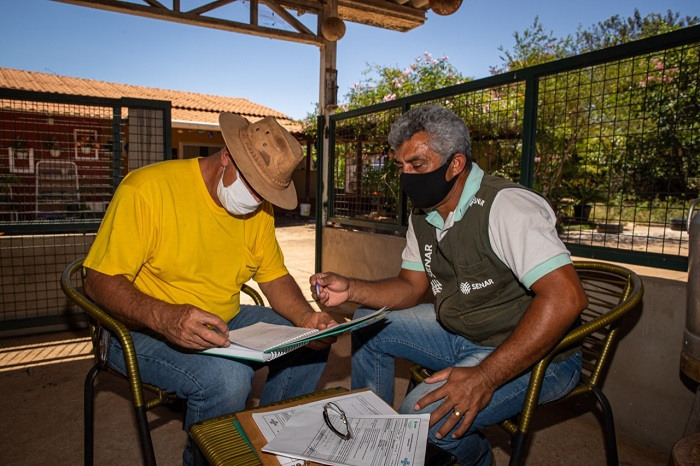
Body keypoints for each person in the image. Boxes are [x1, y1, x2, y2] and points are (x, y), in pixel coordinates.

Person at [311, 104, 588, 465]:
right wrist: (352, 289)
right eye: (401, 166)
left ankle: (473, 458)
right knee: (369, 321)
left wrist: (484, 377)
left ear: (455, 164)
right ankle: (374, 443)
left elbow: (566, 298)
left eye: (418, 165)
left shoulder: (506, 207)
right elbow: (410, 287)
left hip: (539, 353)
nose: (406, 177)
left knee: (421, 419)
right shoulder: (425, 214)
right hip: (460, 332)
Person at [84, 113, 336, 465]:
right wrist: (166, 316)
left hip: (222, 316)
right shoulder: (146, 190)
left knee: (307, 341)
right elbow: (98, 281)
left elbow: (275, 277)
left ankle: (265, 446)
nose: (257, 200)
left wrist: (307, 317)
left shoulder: (259, 211)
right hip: (135, 326)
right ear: (227, 157)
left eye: (266, 193)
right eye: (252, 187)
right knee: (228, 378)